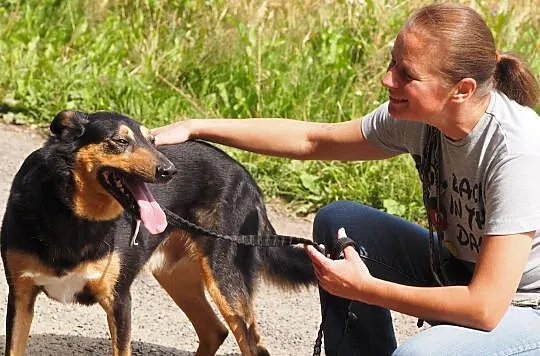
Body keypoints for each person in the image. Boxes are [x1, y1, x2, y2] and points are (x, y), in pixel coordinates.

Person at [151, 3, 540, 355]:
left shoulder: (515, 151)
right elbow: (312, 139)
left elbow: (485, 307)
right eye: (392, 63)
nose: (388, 80)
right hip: (458, 269)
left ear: (462, 90)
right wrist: (196, 127)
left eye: (407, 74)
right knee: (342, 224)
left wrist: (364, 289)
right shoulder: (422, 119)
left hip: (523, 309)